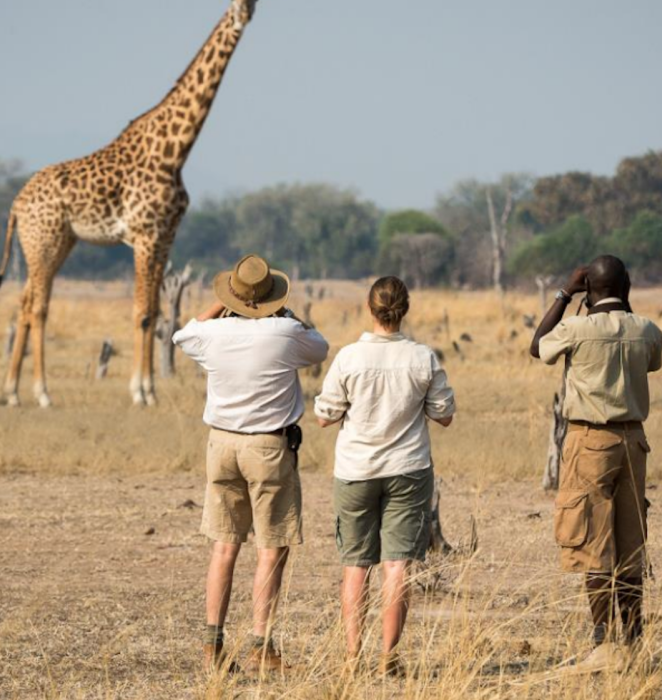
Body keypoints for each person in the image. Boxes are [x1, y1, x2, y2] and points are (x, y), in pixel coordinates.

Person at [173, 253, 329, 673]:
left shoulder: (214, 334)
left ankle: (212, 645)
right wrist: (287, 313)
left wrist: (216, 309)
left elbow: (183, 335)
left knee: (224, 547)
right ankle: (262, 646)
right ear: (272, 297)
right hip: (268, 448)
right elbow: (320, 346)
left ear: (233, 297)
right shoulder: (286, 331)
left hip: (221, 446)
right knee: (270, 549)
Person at [529, 255, 662, 671]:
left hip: (590, 442)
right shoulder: (646, 330)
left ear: (589, 288)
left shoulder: (576, 328)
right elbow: (654, 360)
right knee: (629, 546)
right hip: (634, 442)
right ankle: (635, 641)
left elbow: (538, 346)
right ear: (625, 287)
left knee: (593, 544)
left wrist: (564, 292)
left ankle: (603, 645)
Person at [314, 276, 455, 676]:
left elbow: (325, 416)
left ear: (369, 308)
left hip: (356, 470)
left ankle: (351, 656)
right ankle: (388, 658)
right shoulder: (422, 357)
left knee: (356, 565)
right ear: (404, 308)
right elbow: (444, 415)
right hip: (408, 469)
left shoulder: (349, 358)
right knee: (398, 566)